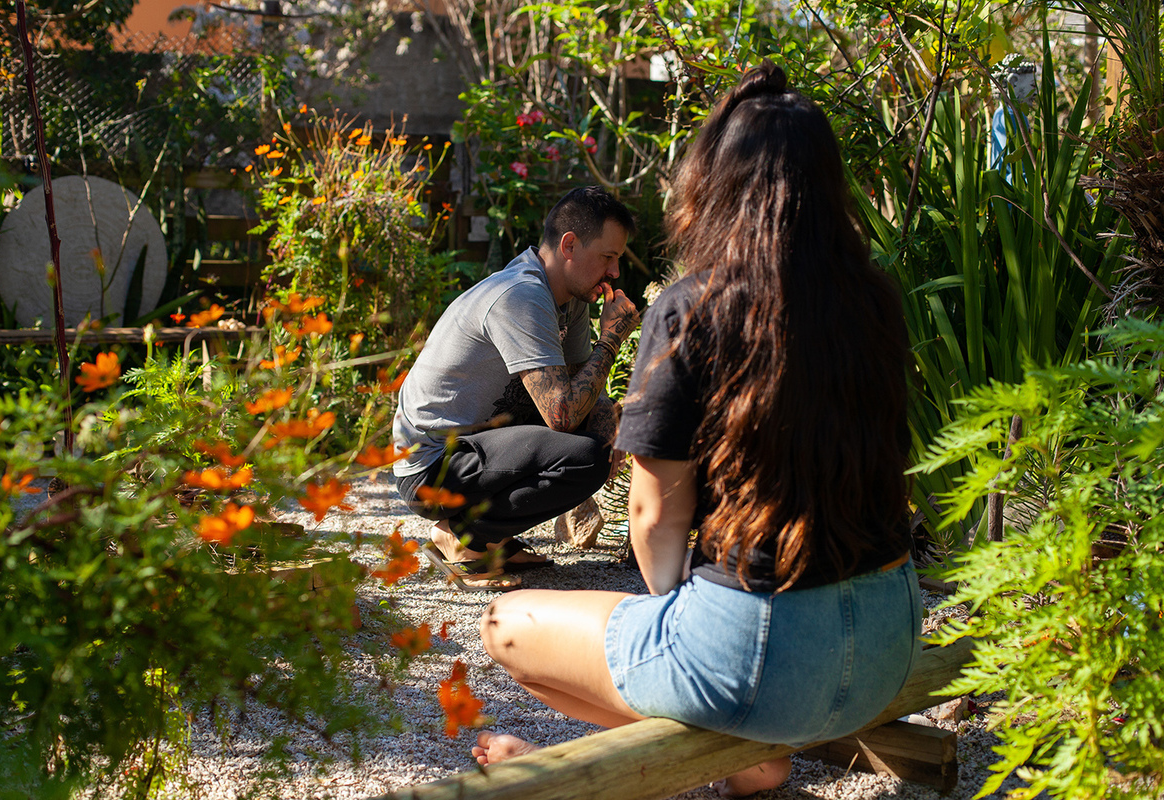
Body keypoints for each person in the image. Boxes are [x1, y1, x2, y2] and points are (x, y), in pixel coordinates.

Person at [470, 61, 923, 796]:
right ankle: (748, 755)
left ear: (715, 185)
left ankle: (745, 753)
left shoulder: (692, 307)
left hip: (763, 662)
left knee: (504, 624)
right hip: (888, 645)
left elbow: (651, 518)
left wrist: (689, 623)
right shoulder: (876, 302)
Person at [392, 186, 641, 590]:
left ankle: (492, 538)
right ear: (570, 245)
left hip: (478, 449)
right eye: (608, 257)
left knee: (601, 438)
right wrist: (611, 341)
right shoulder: (522, 296)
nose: (614, 272)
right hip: (431, 467)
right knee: (586, 457)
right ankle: (466, 542)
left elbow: (582, 388)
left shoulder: (570, 300)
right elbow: (562, 415)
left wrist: (613, 427)